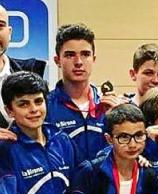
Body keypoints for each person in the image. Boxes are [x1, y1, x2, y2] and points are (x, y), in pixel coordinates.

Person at [47, 23, 126, 165]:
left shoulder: (111, 105)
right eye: (70, 55)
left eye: (85, 54)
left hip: (106, 179)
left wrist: (120, 121)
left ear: (93, 59)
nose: (78, 62)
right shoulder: (45, 107)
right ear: (57, 61)